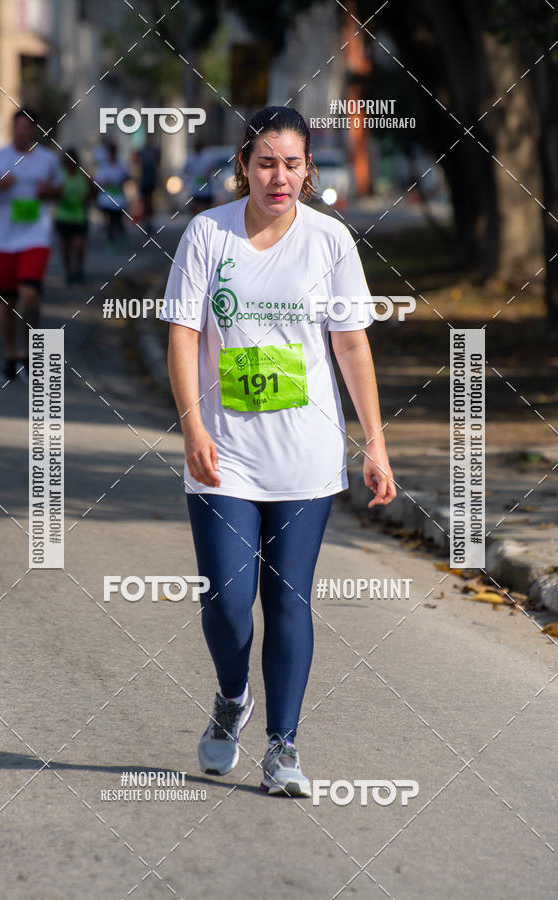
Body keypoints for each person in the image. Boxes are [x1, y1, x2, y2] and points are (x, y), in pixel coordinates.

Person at [160, 106, 395, 797]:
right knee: (229, 603)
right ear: (243, 167)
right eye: (267, 162)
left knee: (288, 600)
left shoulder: (330, 241)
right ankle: (233, 698)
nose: (280, 176)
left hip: (306, 456)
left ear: (308, 170)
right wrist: (193, 431)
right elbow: (180, 336)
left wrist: (374, 442)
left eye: (293, 164)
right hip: (223, 454)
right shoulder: (208, 235)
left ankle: (283, 747)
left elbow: (351, 343)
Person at [0, 108, 63, 383]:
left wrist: (47, 191)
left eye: (27, 128)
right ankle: (11, 356)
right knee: (7, 301)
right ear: (12, 129)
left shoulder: (47, 160)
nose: (22, 132)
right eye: (18, 127)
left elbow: (60, 189)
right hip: (2, 239)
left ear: (34, 130)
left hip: (35, 237)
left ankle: (30, 354)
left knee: (30, 295)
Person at [54, 148, 91, 284]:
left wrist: (86, 199)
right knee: (65, 247)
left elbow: (90, 193)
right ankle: (68, 272)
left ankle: (79, 269)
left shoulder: (83, 175)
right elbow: (54, 194)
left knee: (79, 245)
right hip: (63, 217)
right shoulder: (60, 175)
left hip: (79, 217)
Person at [94, 142, 129, 246]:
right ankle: (111, 240)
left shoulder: (120, 164)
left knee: (116, 219)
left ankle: (119, 235)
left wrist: (120, 182)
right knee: (109, 220)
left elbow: (126, 177)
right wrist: (105, 183)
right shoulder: (104, 166)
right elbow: (97, 182)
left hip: (118, 198)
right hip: (106, 199)